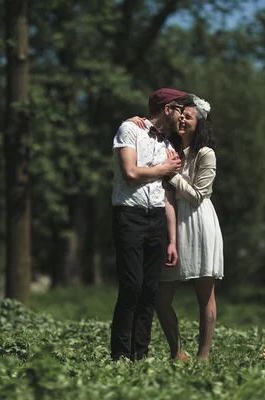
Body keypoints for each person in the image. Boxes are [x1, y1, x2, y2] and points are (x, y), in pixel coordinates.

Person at [128, 94, 223, 361]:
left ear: (199, 124)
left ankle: (203, 356)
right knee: (161, 296)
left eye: (188, 117)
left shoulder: (206, 154)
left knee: (204, 295)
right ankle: (177, 351)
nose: (181, 119)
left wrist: (172, 174)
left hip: (200, 222)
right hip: (172, 222)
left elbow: (197, 195)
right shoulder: (170, 149)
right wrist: (135, 120)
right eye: (181, 115)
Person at [110, 88, 187, 361]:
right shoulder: (129, 130)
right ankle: (120, 356)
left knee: (149, 291)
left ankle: (139, 355)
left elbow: (166, 198)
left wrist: (172, 240)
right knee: (131, 286)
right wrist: (162, 170)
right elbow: (130, 173)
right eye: (180, 108)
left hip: (156, 218)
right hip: (129, 215)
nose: (183, 114)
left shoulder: (168, 146)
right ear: (167, 109)